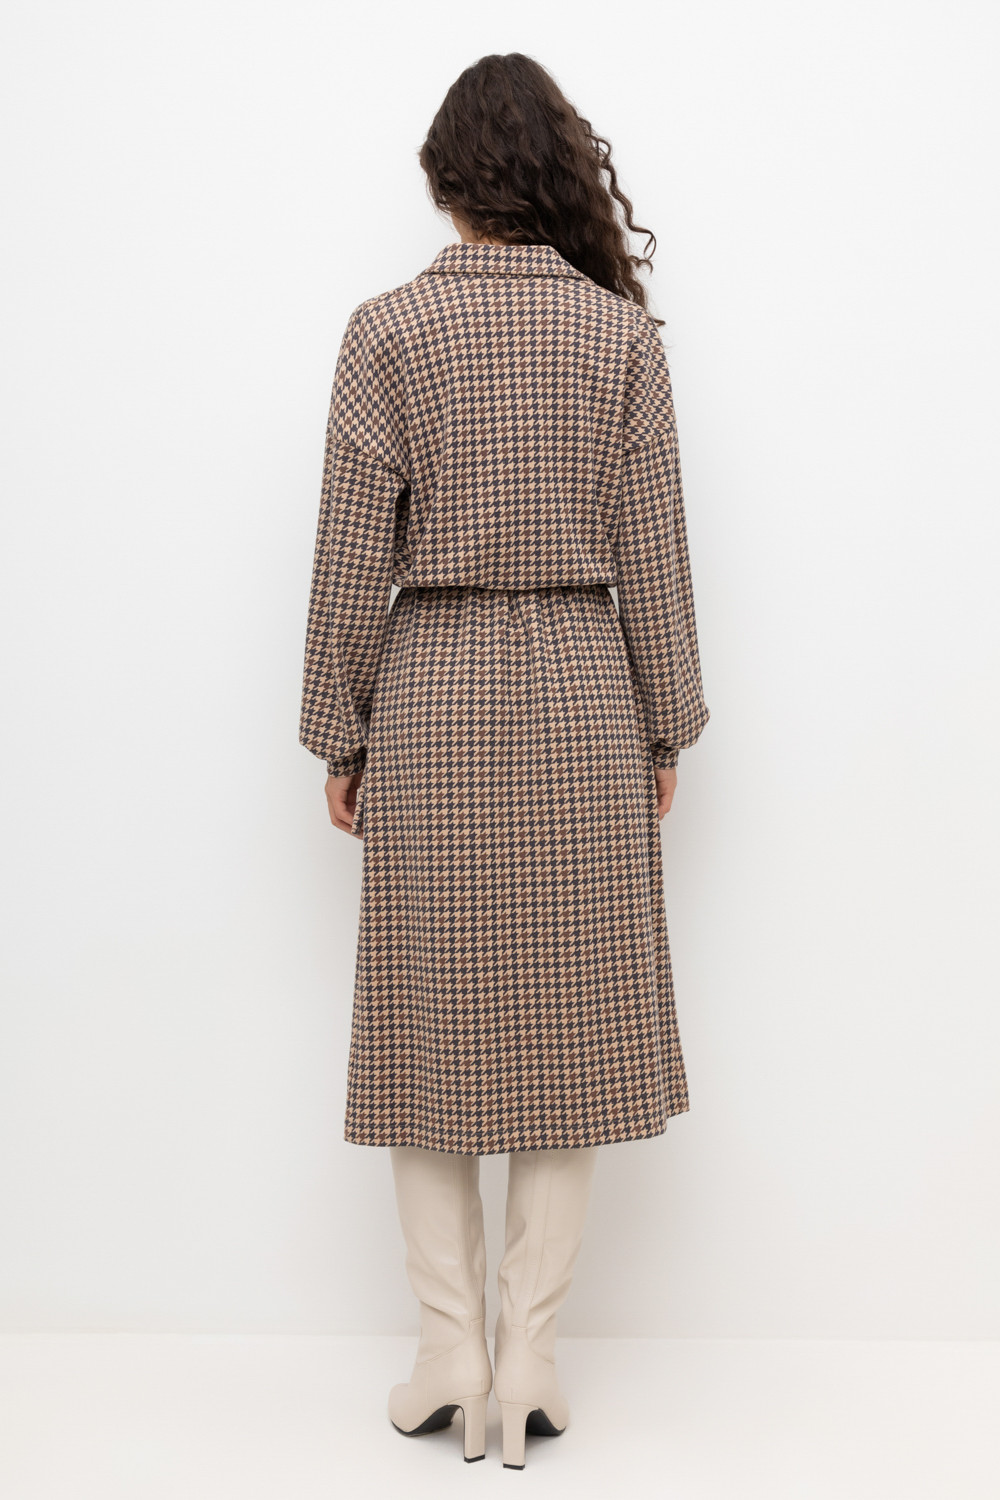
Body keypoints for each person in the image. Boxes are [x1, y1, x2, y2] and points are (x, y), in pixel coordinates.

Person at [299, 52, 709, 1470]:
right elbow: (656, 553)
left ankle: (447, 1355)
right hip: (586, 695)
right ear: (554, 177)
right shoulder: (618, 339)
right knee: (569, 1027)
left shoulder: (388, 331)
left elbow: (353, 550)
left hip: (433, 695)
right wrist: (667, 720)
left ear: (444, 180)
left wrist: (338, 725)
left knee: (427, 1028)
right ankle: (528, 1356)